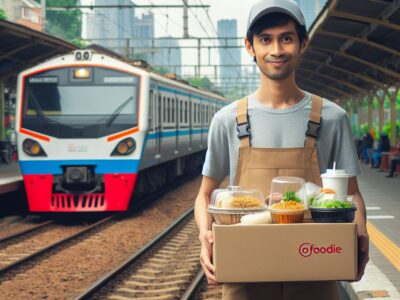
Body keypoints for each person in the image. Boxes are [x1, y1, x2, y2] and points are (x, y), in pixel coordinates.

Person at [194, 0, 369, 299]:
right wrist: (205, 234)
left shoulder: (332, 117)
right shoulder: (228, 120)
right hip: (246, 273)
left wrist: (361, 236)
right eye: (265, 39)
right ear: (250, 46)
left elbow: (350, 193)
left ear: (303, 43)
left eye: (286, 38)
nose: (276, 49)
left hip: (316, 270)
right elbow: (205, 194)